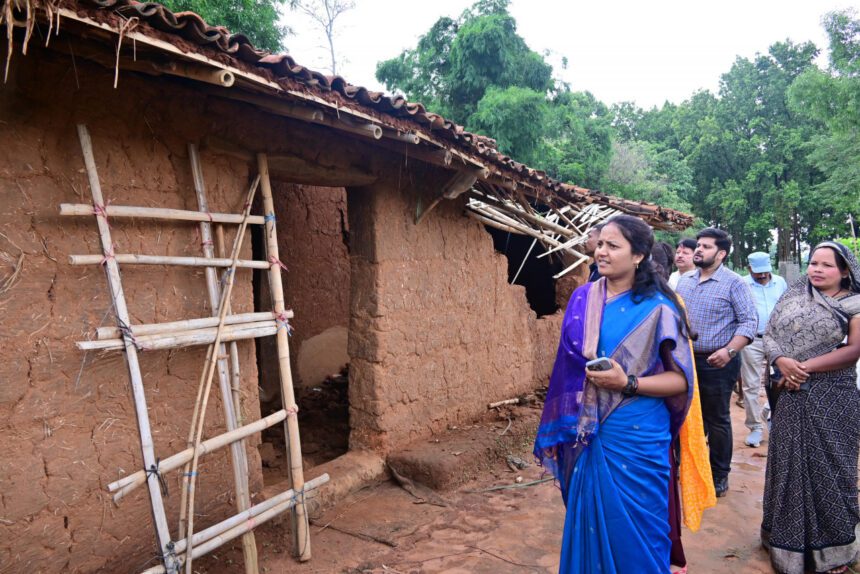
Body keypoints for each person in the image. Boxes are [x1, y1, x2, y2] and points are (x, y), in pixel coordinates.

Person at [534, 215, 714, 573]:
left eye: (613, 246)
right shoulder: (583, 299)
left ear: (638, 255)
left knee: (639, 532)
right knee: (590, 524)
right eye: (600, 244)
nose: (601, 252)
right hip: (588, 430)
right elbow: (566, 370)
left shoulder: (659, 308)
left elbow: (681, 381)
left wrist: (628, 383)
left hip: (637, 433)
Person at [761, 242, 860, 574]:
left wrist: (802, 368)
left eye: (827, 265)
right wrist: (782, 361)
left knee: (831, 467)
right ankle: (783, 541)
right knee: (787, 465)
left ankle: (832, 549)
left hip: (832, 397)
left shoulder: (855, 304)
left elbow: (854, 350)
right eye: (814, 263)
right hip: (789, 393)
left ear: (844, 270)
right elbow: (770, 333)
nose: (817, 269)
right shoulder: (793, 295)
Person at [676, 228, 758, 497]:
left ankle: (718, 474)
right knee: (683, 414)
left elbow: (749, 322)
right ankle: (685, 467)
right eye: (698, 245)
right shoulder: (685, 281)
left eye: (706, 247)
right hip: (685, 361)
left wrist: (729, 351)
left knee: (717, 419)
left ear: (721, 254)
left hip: (718, 363)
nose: (699, 250)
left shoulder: (735, 283)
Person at [739, 252, 788, 447]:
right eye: (757, 272)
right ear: (749, 269)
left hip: (778, 340)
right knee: (751, 385)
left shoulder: (780, 282)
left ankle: (772, 414)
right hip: (752, 340)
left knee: (781, 380)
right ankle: (755, 428)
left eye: (765, 272)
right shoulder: (742, 284)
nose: (761, 276)